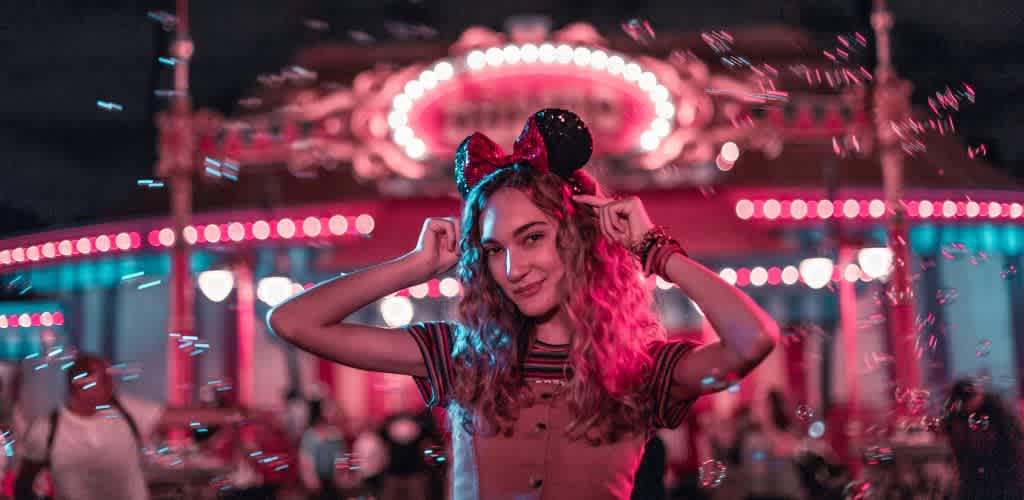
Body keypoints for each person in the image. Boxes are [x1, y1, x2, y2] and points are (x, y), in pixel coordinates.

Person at [268, 108, 779, 499]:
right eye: (494, 250)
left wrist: (653, 249)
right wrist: (414, 266)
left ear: (577, 238)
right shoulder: (462, 357)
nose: (513, 268)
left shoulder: (639, 368)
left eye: (532, 238)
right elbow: (292, 321)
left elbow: (753, 340)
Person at [14, 353, 243, 500]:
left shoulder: (126, 411)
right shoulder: (47, 429)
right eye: (104, 380)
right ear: (80, 386)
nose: (112, 386)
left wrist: (235, 415)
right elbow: (24, 482)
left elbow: (180, 416)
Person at [941, 379, 1024, 500]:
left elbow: (1013, 442)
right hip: (976, 476)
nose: (967, 406)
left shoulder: (997, 409)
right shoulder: (960, 416)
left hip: (1002, 474)